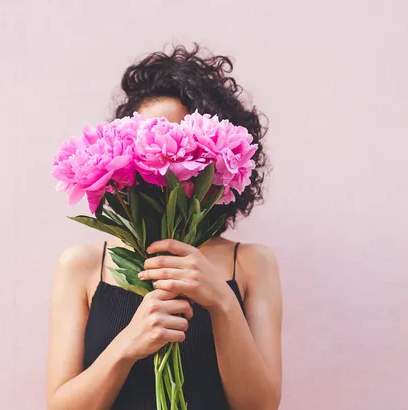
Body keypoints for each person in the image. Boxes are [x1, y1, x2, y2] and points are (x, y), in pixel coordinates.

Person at [46, 45, 282, 410]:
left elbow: (260, 406)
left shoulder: (252, 264)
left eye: (177, 138)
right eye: (144, 139)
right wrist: (128, 345)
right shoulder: (82, 266)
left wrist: (221, 301)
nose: (162, 153)